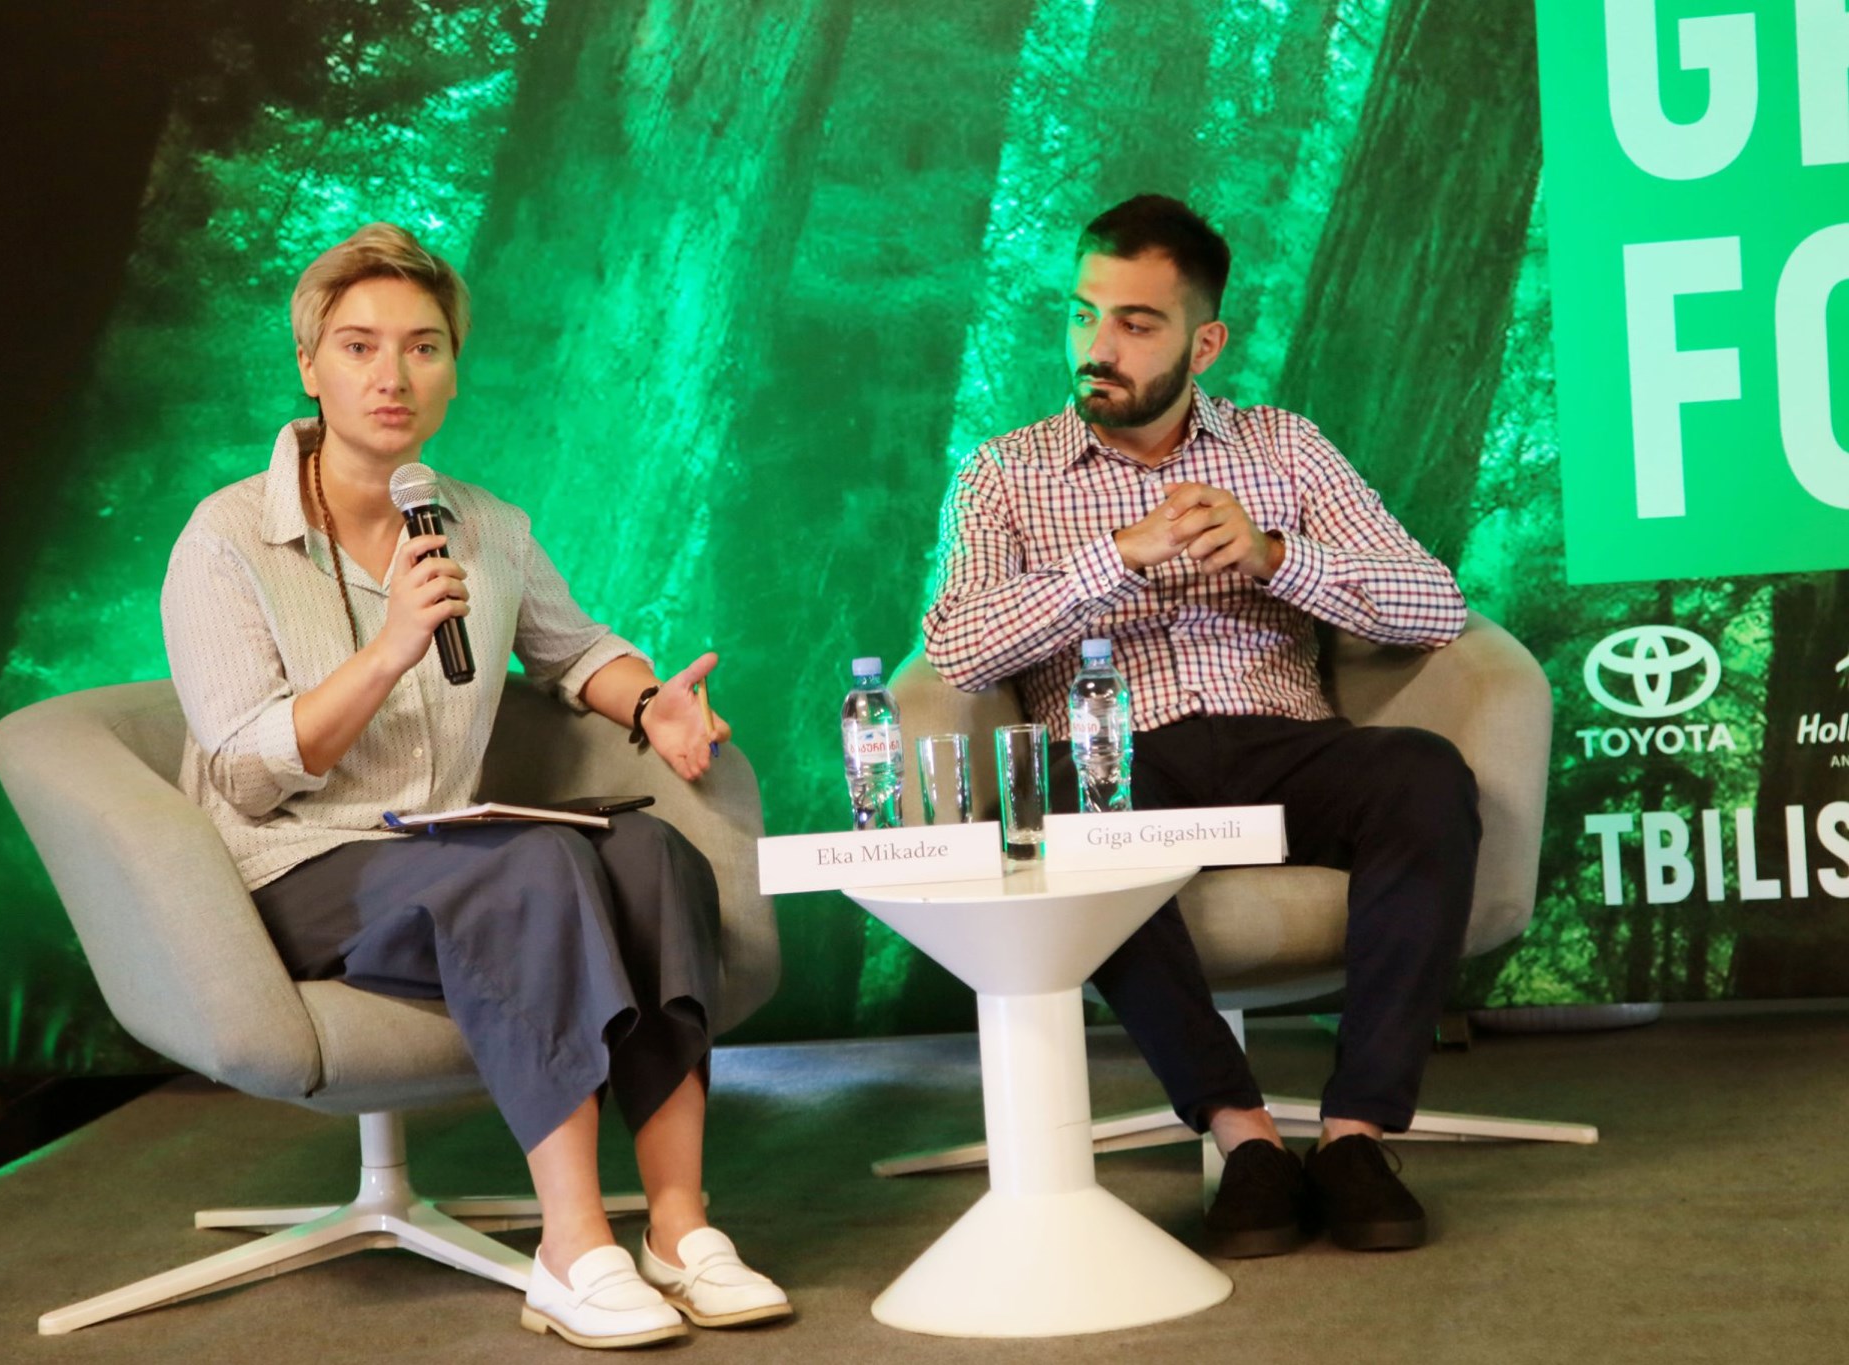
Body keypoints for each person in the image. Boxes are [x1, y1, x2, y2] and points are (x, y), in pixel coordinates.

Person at [160, 223, 789, 1347]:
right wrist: (391, 647)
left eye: (423, 346)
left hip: (441, 846)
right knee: (533, 867)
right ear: (309, 366)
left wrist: (651, 702)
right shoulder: (226, 539)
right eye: (358, 346)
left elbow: (574, 649)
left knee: (650, 852)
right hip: (295, 865)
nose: (392, 376)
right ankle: (572, 1247)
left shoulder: (483, 524)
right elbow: (247, 773)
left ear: (453, 368)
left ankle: (679, 1224)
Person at [923, 194, 1478, 1257]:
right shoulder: (1004, 471)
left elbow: (1435, 606)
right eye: (1082, 313)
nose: (1098, 346)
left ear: (1204, 342)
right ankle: (1243, 1134)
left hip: (1285, 742)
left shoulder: (1284, 447)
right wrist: (1113, 558)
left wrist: (1276, 557)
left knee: (1423, 773)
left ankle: (1356, 1136)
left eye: (1135, 323)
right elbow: (957, 648)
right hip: (1116, 758)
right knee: (1071, 813)